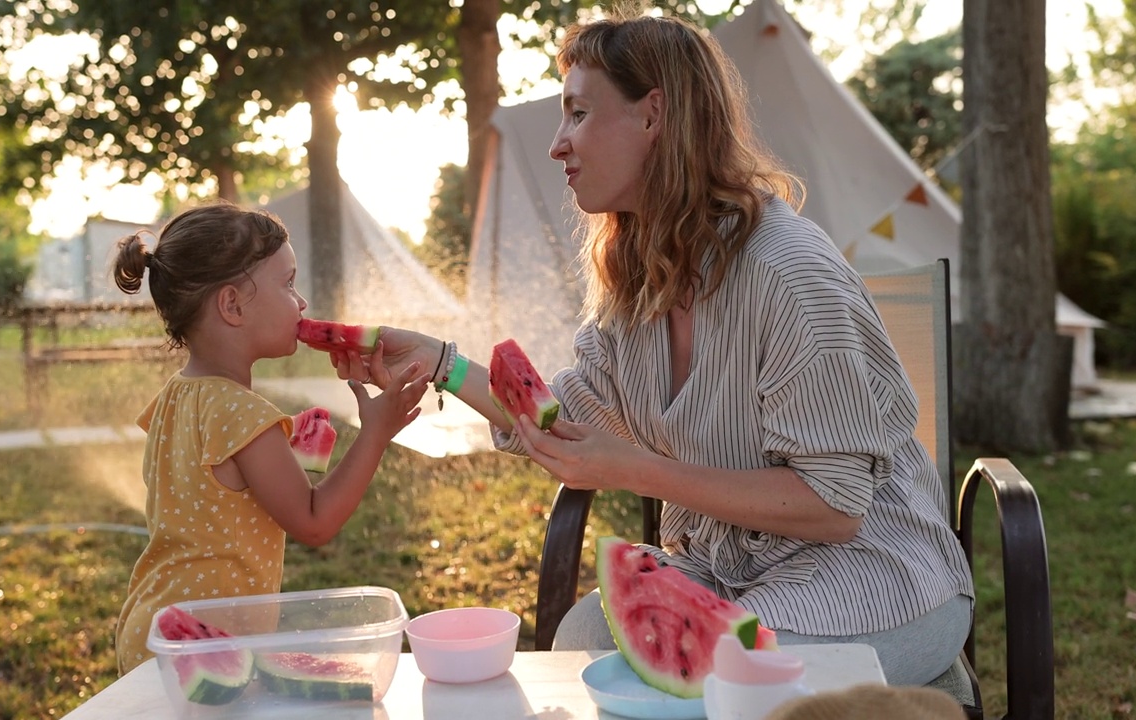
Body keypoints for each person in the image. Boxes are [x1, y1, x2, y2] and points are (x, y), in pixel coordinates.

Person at [332, 3, 973, 688]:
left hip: (869, 576)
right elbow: (562, 419)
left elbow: (835, 506)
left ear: (653, 114)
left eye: (578, 113)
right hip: (726, 570)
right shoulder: (639, 279)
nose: (557, 144)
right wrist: (441, 362)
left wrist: (637, 470)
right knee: (581, 642)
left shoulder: (788, 275)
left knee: (717, 672)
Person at [110, 202, 430, 674]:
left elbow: (223, 490)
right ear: (232, 305)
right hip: (203, 645)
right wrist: (376, 432)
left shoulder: (176, 397)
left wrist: (293, 449)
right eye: (287, 284)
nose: (301, 302)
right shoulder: (243, 414)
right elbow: (314, 523)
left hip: (155, 624)